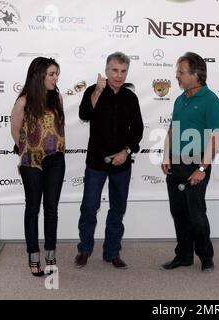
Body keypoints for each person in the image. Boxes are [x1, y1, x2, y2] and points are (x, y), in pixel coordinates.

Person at [74, 52, 143, 269]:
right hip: (96, 162)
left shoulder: (131, 98)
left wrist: (126, 151)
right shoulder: (93, 92)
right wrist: (97, 90)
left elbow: (138, 131)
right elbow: (84, 114)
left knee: (117, 209)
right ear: (106, 70)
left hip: (122, 163)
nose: (119, 75)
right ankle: (84, 250)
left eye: (123, 71)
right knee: (89, 207)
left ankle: (112, 252)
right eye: (115, 70)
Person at [161, 52, 219, 273]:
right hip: (176, 164)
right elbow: (171, 130)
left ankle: (206, 257)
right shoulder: (180, 99)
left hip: (196, 164)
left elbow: (215, 138)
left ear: (196, 75)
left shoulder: (211, 100)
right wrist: (166, 155)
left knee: (196, 213)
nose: (177, 76)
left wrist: (202, 168)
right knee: (178, 212)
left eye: (181, 72)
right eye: (177, 71)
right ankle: (184, 256)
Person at [10, 57, 65, 276]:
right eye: (52, 74)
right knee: (32, 209)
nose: (55, 78)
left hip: (56, 159)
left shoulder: (57, 98)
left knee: (51, 209)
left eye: (56, 74)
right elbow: (16, 132)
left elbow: (59, 128)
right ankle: (33, 257)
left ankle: (51, 255)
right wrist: (27, 152)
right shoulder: (23, 101)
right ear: (39, 75)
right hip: (31, 161)